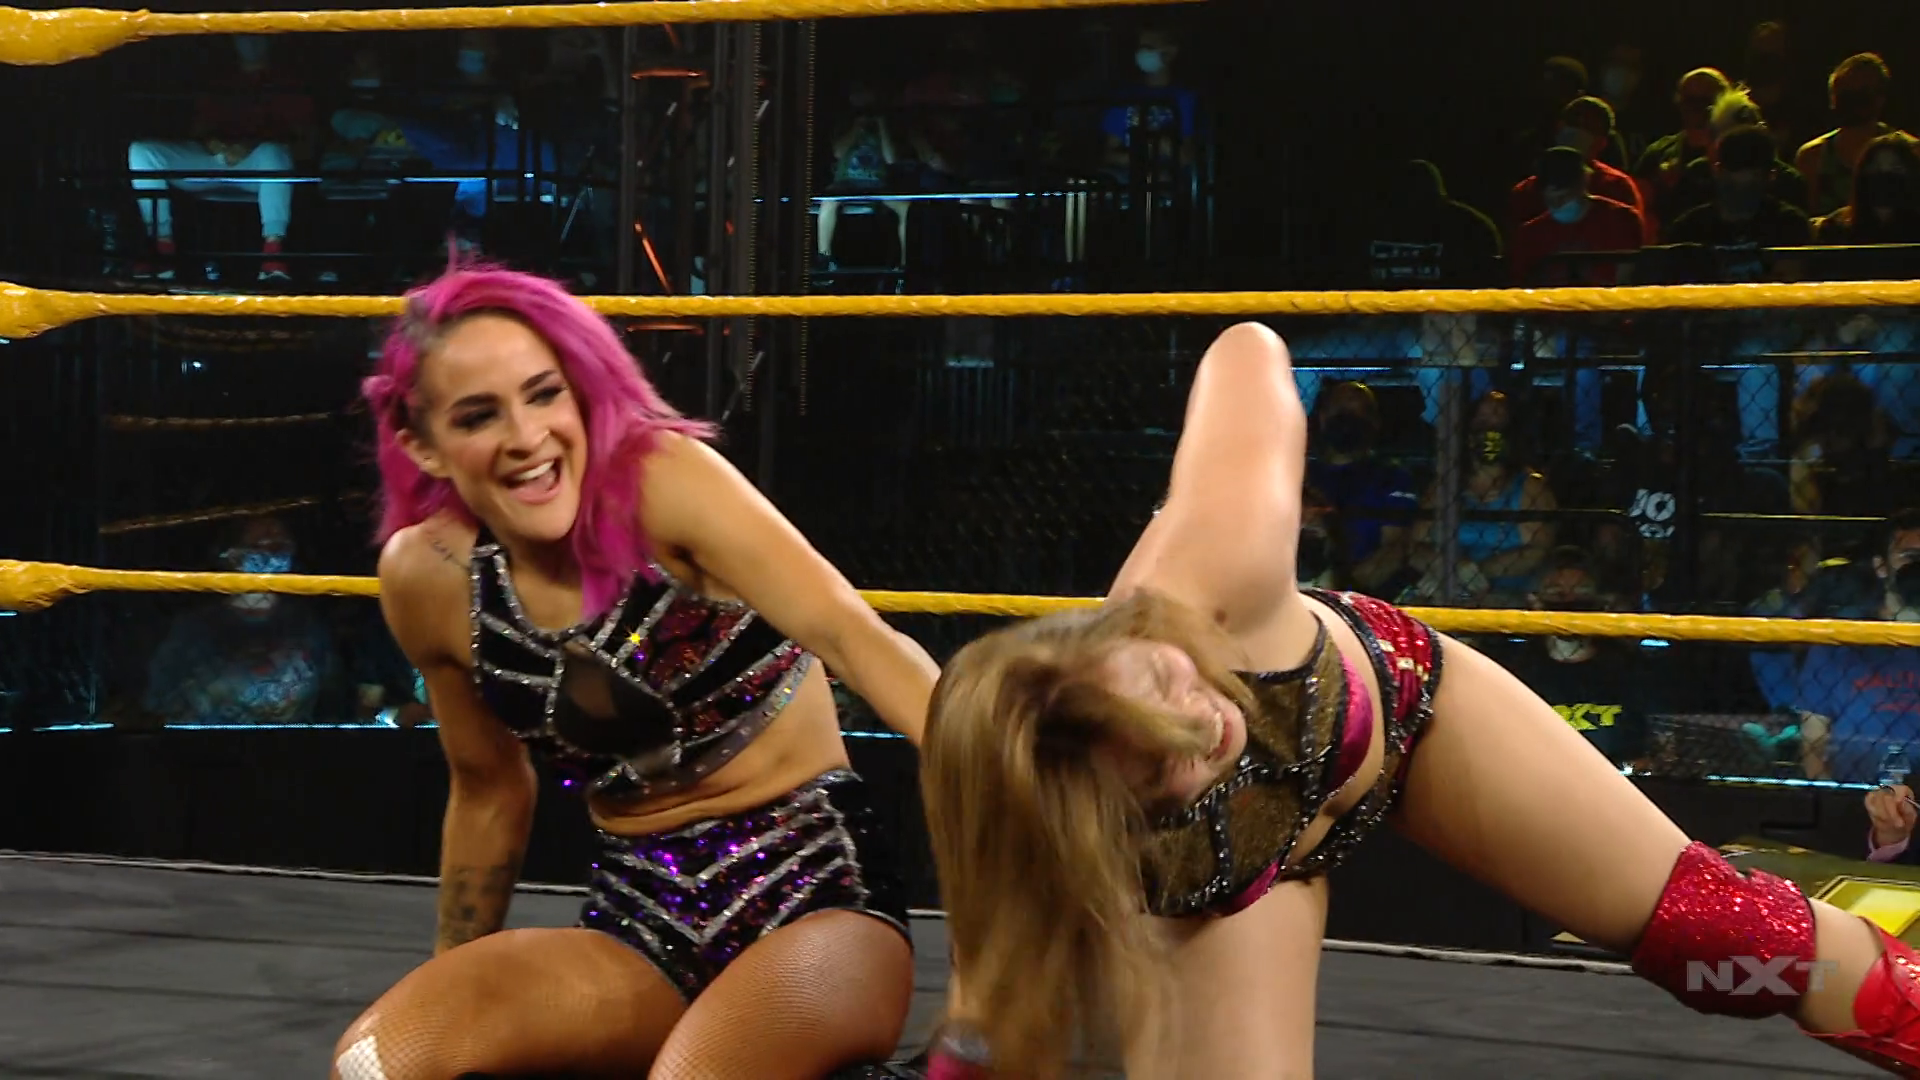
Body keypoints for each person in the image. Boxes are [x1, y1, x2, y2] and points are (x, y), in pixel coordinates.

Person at [916, 322, 1920, 1079]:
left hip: (1401, 718)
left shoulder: (1216, 565)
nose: (1208, 722)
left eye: (1173, 683)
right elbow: (985, 989)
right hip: (1240, 878)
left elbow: (1246, 348)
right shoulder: (1033, 814)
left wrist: (1205, 488)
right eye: (1171, 758)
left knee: (1722, 939)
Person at [334, 263, 938, 1079]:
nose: (527, 437)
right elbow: (488, 789)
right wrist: (460, 986)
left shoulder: (662, 479)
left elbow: (857, 639)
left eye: (545, 395)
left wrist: (1023, 800)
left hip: (816, 893)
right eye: (479, 415)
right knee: (377, 1068)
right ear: (423, 446)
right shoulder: (427, 576)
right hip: (640, 921)